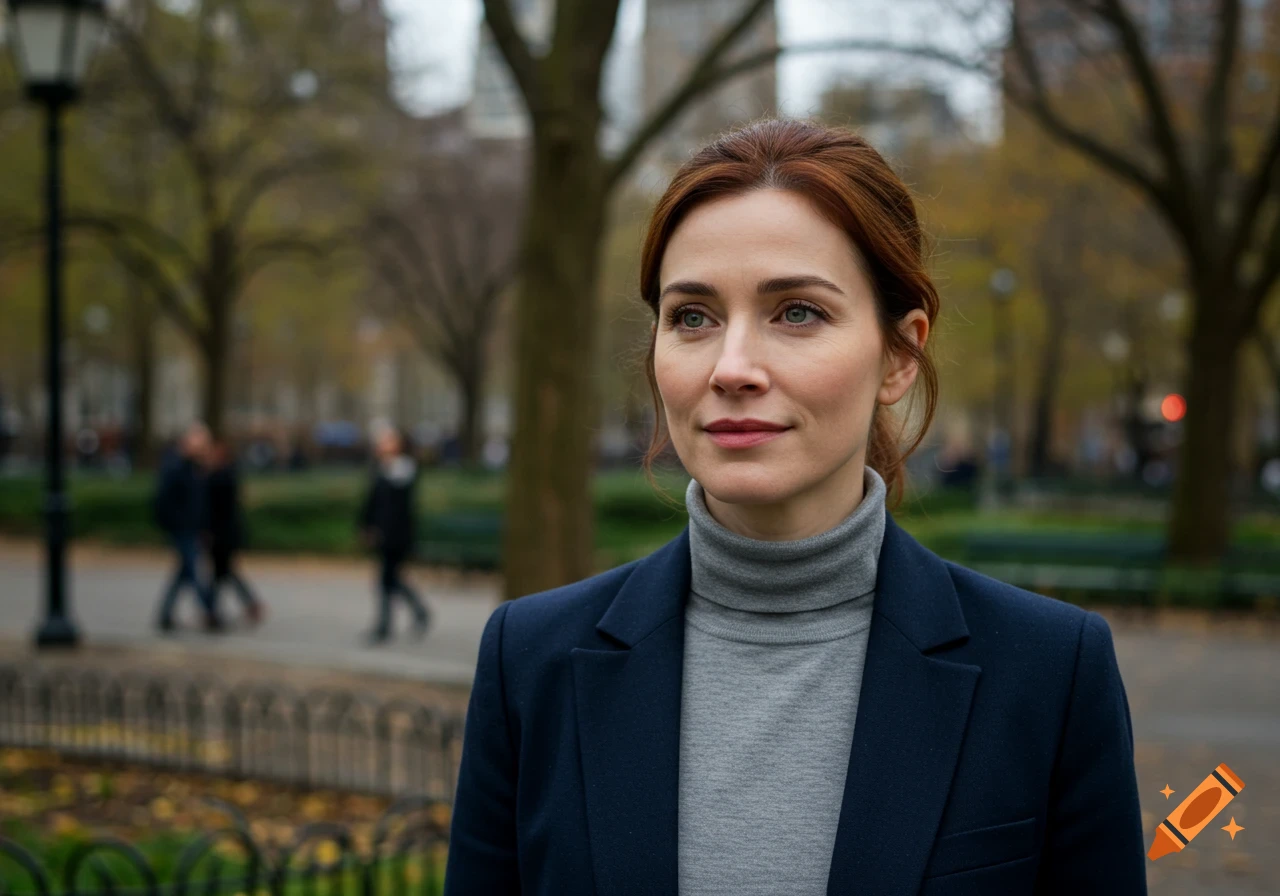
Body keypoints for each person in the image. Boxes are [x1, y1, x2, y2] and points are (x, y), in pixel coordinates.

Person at [444, 120, 1147, 895]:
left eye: (797, 313)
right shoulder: (529, 661)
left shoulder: (1048, 671)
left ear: (900, 355)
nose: (732, 367)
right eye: (693, 317)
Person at [358, 425, 430, 643]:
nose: (383, 445)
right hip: (382, 533)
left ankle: (384, 627)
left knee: (387, 579)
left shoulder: (405, 470)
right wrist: (366, 525)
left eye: (388, 440)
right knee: (391, 579)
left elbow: (399, 508)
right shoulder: (379, 469)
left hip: (397, 535)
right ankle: (418, 612)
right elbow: (372, 502)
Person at [152, 421, 222, 632]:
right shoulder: (174, 466)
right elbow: (164, 500)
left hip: (192, 527)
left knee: (184, 571)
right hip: (181, 528)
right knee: (192, 570)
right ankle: (210, 611)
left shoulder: (195, 467)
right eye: (200, 441)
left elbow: (201, 501)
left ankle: (165, 614)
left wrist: (204, 526)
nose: (203, 446)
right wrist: (174, 523)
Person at [204, 436, 264, 626]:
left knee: (221, 573)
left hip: (222, 534)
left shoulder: (220, 477)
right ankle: (216, 609)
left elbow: (214, 508)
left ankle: (212, 610)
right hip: (226, 533)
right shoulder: (228, 475)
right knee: (224, 573)